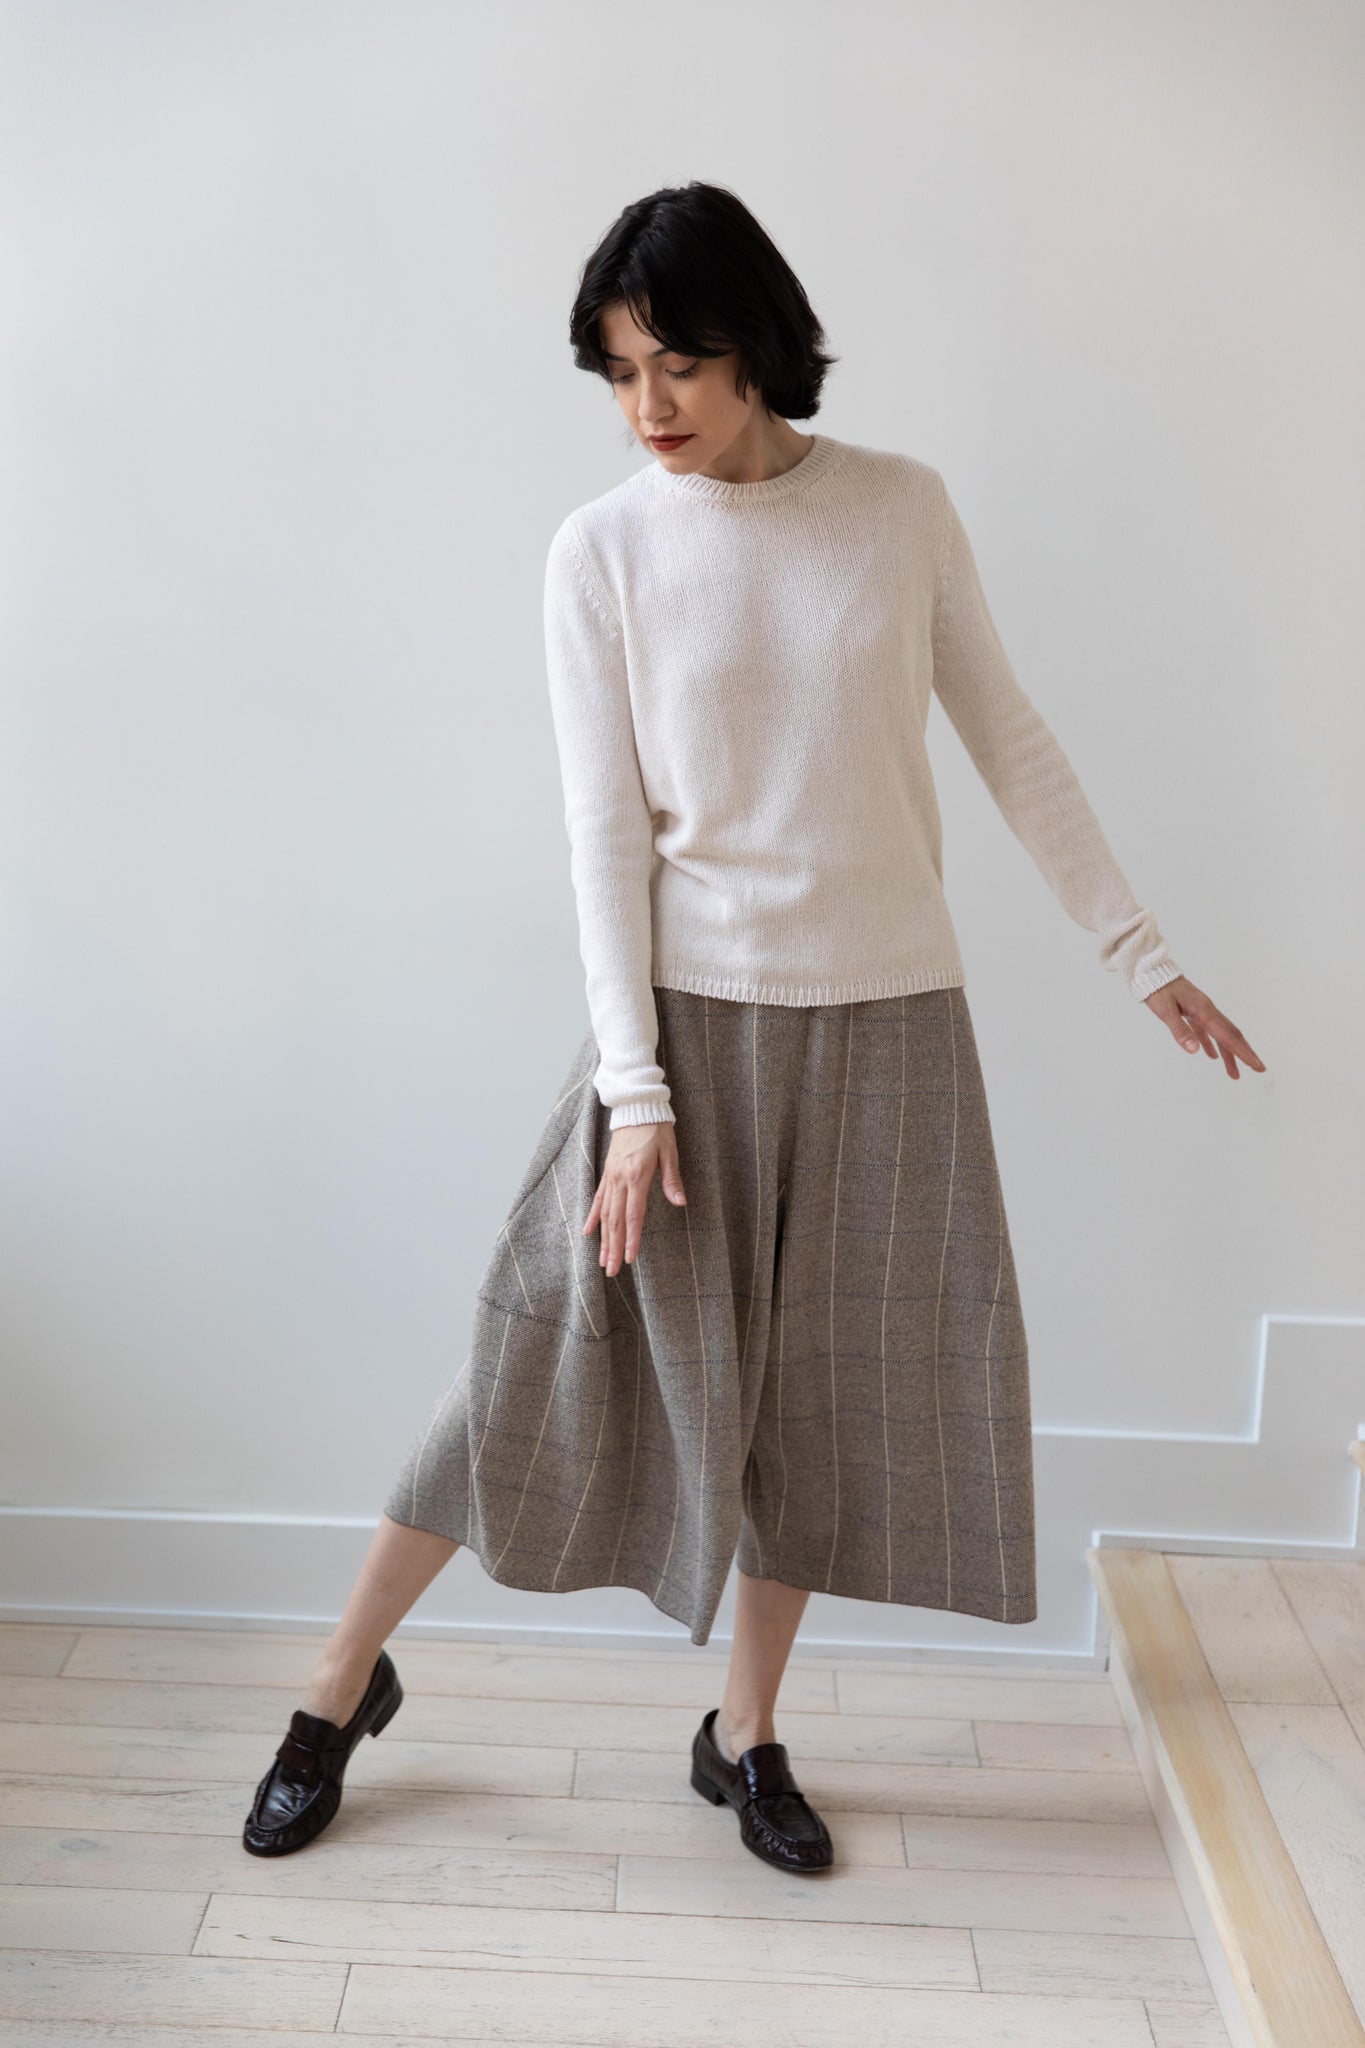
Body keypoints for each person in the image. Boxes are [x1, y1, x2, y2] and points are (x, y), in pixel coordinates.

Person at [242, 180, 1265, 1873]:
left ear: (758, 348)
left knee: (820, 1400)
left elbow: (1007, 738)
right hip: (685, 1038)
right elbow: (603, 839)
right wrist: (632, 1090)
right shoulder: (603, 550)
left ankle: (745, 1732)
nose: (647, 406)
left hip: (891, 1023)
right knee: (531, 1358)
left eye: (679, 365)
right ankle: (338, 1686)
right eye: (618, 372)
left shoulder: (899, 509)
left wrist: (1136, 953)